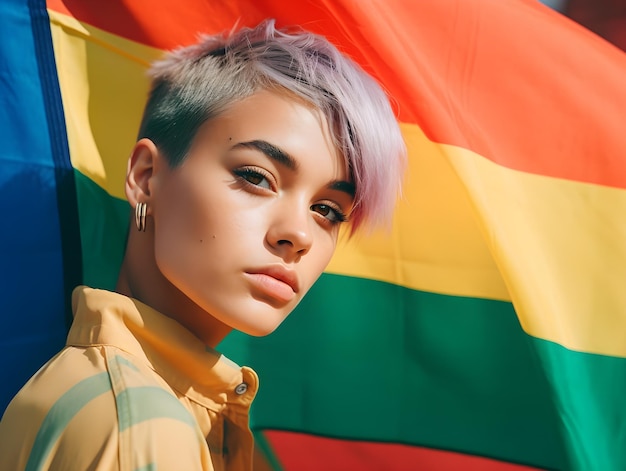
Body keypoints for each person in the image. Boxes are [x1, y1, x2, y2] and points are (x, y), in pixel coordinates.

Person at [0, 19, 406, 471]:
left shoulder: (101, 393)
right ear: (146, 177)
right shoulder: (140, 425)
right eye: (256, 177)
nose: (300, 235)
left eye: (328, 210)